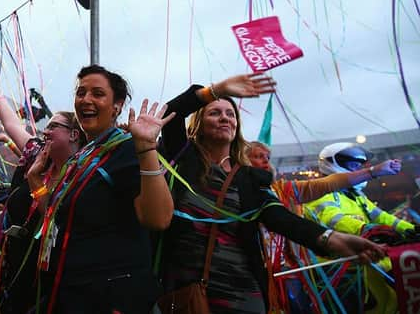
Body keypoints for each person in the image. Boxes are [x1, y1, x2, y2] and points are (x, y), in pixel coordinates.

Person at [159, 75, 386, 314]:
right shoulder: (183, 160)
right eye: (215, 112)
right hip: (190, 289)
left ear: (237, 127)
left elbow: (281, 218)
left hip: (243, 291)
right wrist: (217, 90)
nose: (225, 117)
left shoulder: (251, 178)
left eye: (230, 113)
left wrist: (332, 239)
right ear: (199, 125)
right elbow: (172, 111)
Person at [38, 64, 175, 313]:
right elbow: (58, 218)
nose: (86, 100)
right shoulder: (81, 158)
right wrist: (35, 183)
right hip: (73, 294)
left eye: (98, 94)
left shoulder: (127, 150)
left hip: (113, 299)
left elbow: (159, 218)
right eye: (81, 93)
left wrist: (145, 147)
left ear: (117, 106)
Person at [0, 89, 87, 313]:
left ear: (74, 135)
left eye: (53, 126)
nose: (45, 130)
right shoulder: (37, 154)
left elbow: (57, 219)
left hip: (52, 275)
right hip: (15, 267)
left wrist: (35, 181)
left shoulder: (85, 172)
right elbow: (13, 126)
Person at [304, 142, 413, 314]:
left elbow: (383, 216)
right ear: (333, 163)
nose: (358, 169)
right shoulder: (319, 192)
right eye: (354, 165)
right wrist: (366, 229)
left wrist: (411, 229)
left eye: (360, 165)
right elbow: (333, 219)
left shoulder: (356, 195)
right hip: (336, 268)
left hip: (362, 257)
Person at [248, 141, 404, 204]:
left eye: (268, 157)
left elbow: (329, 182)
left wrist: (373, 171)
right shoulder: (234, 193)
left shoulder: (282, 190)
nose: (266, 161)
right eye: (258, 156)